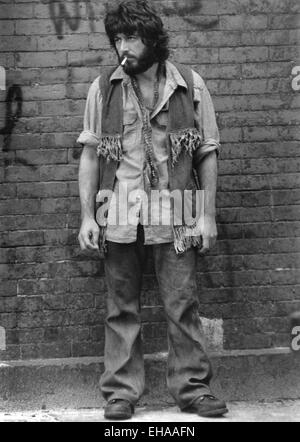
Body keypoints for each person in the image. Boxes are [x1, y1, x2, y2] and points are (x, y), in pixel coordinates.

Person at [77, 0, 228, 420]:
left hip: (177, 209)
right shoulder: (104, 87)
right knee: (120, 305)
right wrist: (88, 216)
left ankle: (193, 389)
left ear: (152, 39)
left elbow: (206, 153)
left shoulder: (190, 85)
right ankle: (122, 392)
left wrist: (208, 215)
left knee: (182, 303)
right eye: (117, 38)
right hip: (118, 209)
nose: (122, 47)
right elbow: (90, 155)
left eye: (131, 37)